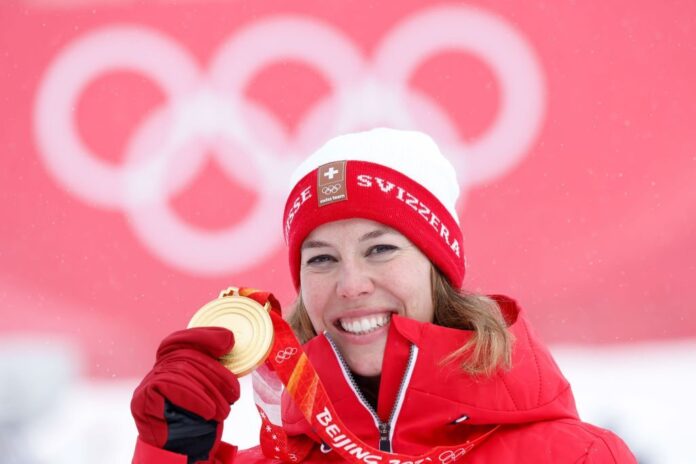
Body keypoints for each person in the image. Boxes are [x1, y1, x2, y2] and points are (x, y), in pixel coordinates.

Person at [130, 128, 636, 463]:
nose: (351, 285)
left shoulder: (576, 457)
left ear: (437, 268)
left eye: (380, 249)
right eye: (322, 259)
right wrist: (172, 453)